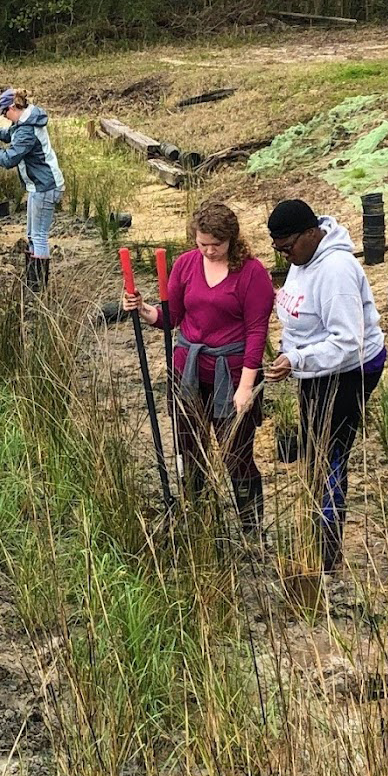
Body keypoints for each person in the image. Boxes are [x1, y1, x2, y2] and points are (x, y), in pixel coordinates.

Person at [122, 202, 274, 531]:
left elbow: (256, 333)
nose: (207, 251)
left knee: (236, 454)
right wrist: (143, 308)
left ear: (231, 240)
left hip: (231, 376)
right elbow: (170, 317)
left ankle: (251, 529)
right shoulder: (187, 264)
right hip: (188, 373)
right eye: (201, 243)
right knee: (189, 449)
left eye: (215, 246)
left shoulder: (252, 273)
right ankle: (200, 521)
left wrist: (246, 387)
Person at [263, 199, 387, 573]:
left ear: (312, 232)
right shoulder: (303, 260)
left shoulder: (335, 271)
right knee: (315, 447)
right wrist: (290, 351)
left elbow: (348, 341)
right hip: (315, 371)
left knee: (330, 453)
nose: (284, 257)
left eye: (287, 248)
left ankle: (327, 552)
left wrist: (298, 359)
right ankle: (318, 531)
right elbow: (301, 316)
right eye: (277, 250)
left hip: (351, 369)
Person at [0, 88, 64, 292]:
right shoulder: (26, 121)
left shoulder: (26, 130)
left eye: (5, 113)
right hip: (38, 185)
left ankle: (38, 287)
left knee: (38, 236)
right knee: (32, 234)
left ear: (13, 107)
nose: (5, 118)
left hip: (44, 187)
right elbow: (9, 133)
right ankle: (33, 282)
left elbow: (8, 159)